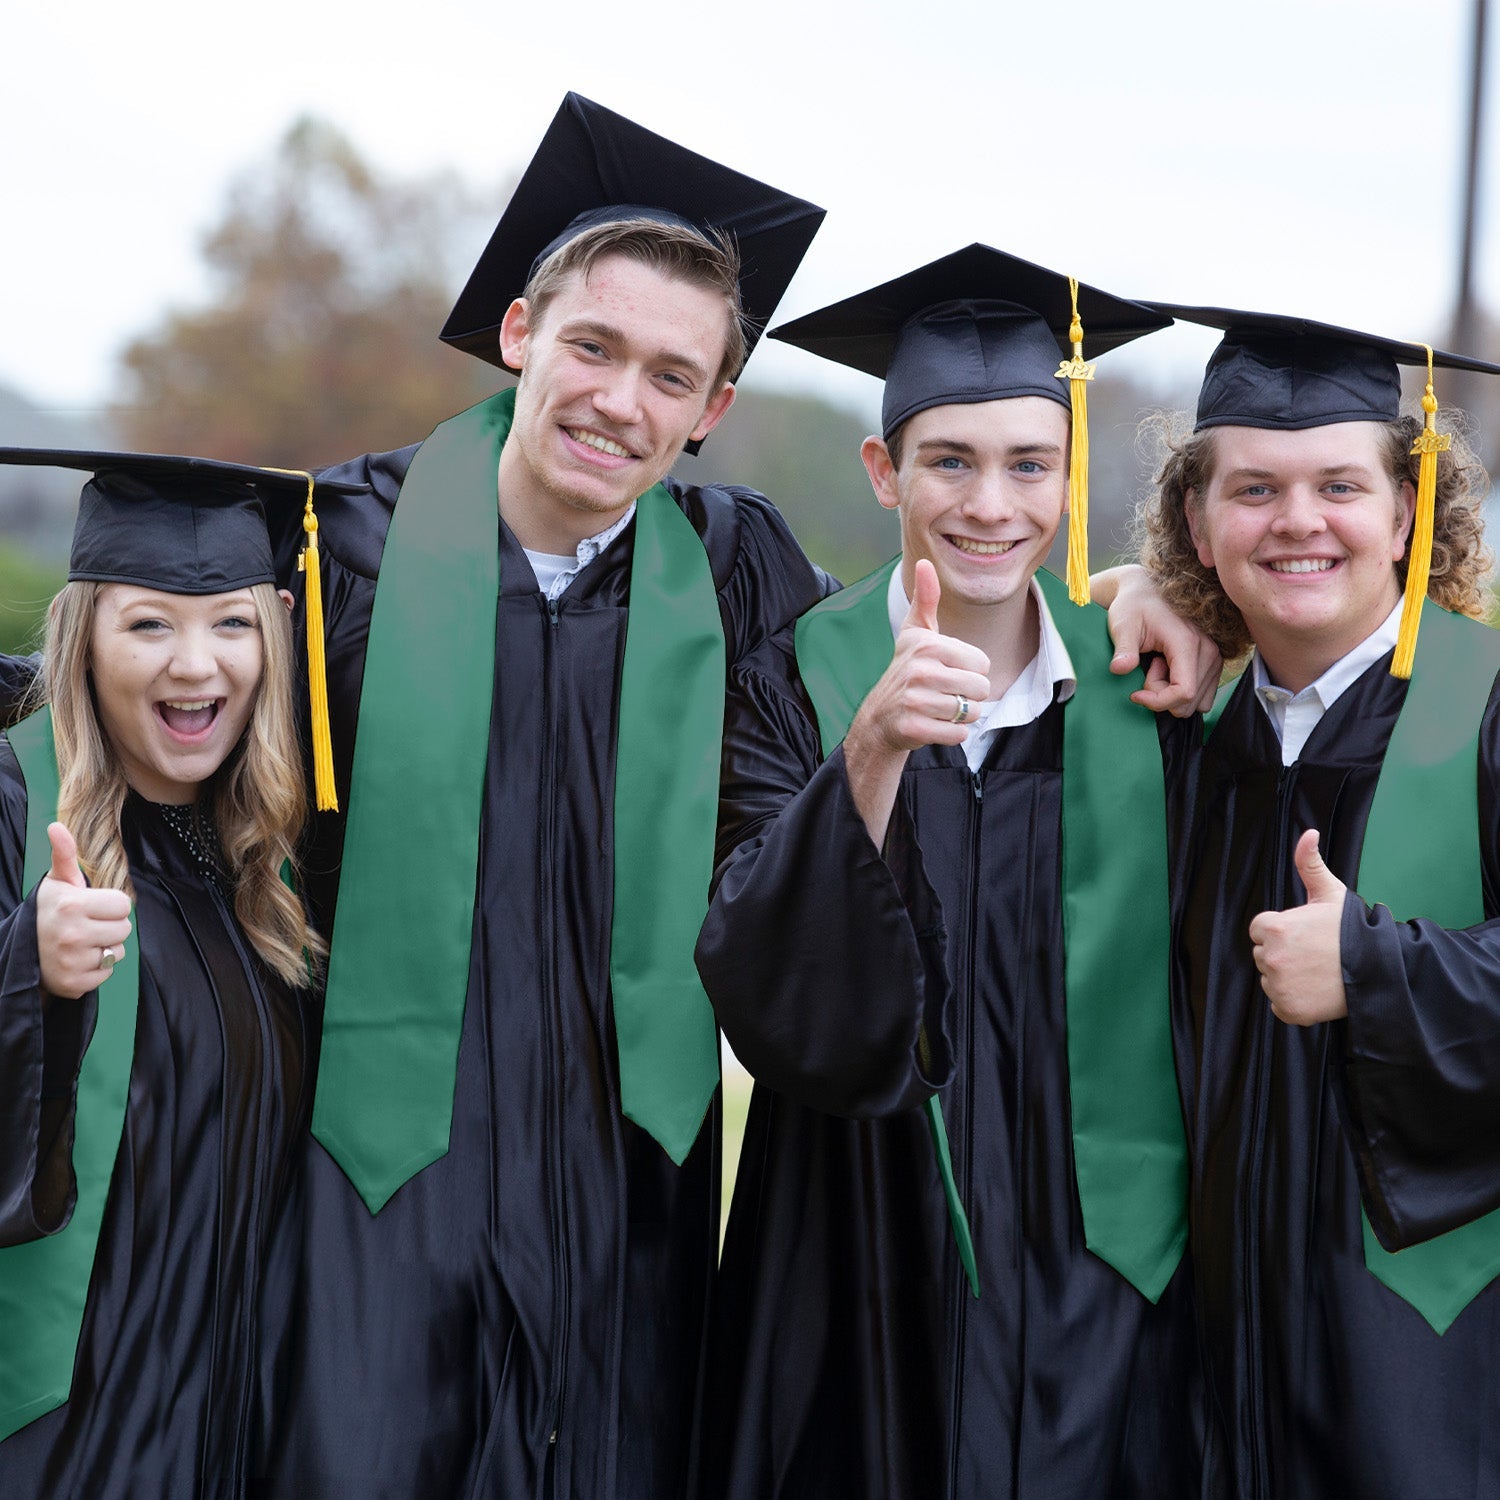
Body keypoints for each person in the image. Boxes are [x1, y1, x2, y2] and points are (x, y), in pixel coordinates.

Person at [251, 95, 828, 1499]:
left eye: (671, 377)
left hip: (630, 1176)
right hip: (379, 1169)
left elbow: (897, 715)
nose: (621, 401)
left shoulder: (739, 568)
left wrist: (1147, 614)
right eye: (593, 347)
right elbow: (150, 703)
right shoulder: (345, 544)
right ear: (520, 335)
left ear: (711, 413)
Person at [693, 245, 1202, 1499]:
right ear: (886, 473)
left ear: (1070, 475)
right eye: (950, 461)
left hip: (1100, 1273)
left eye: (1030, 464)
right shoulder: (791, 680)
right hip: (852, 1254)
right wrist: (869, 748)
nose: (992, 503)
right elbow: (758, 978)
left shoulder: (1154, 690)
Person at [1129, 307, 1500, 1499]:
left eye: (1340, 485)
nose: (1297, 521)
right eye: (1254, 490)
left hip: (1434, 1374)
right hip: (1217, 1377)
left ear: (1406, 509)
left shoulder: (1486, 710)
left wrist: (1376, 967)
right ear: (1197, 520)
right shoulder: (1178, 744)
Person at [0, 451, 341, 1499]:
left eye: (231, 625)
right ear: (84, 637)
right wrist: (31, 971)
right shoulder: (15, 805)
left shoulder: (266, 860)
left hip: (230, 1411)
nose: (196, 666)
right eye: (150, 624)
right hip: (66, 1426)